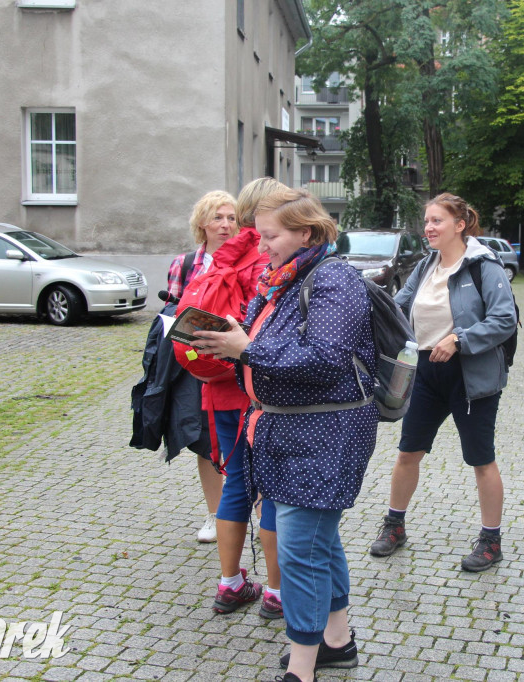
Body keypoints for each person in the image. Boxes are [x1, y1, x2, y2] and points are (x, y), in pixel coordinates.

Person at [193, 187, 379, 682]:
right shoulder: (279, 279)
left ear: (306, 232)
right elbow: (258, 341)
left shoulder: (334, 279)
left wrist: (246, 348)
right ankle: (337, 641)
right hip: (286, 429)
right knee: (320, 542)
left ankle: (303, 665)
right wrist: (229, 336)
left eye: (270, 235)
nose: (262, 245)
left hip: (326, 430)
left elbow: (324, 359)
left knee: (301, 551)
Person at [369, 193, 517, 572]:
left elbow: (504, 320)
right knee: (408, 451)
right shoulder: (426, 266)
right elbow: (397, 308)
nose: (429, 228)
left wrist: (460, 340)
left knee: (481, 459)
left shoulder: (484, 265)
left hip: (471, 375)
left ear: (460, 224)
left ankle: (491, 539)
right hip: (424, 370)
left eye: (437, 221)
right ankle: (395, 525)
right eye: (427, 221)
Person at [171, 181, 285, 618]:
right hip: (260, 391)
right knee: (273, 491)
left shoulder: (219, 260)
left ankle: (229, 584)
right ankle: (275, 593)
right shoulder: (269, 260)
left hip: (217, 388)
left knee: (235, 485)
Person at [165, 190, 238, 544]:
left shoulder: (247, 261)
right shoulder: (185, 264)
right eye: (218, 218)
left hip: (234, 364)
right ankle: (215, 514)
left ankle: (246, 511)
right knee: (205, 441)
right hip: (194, 364)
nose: (225, 225)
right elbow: (171, 312)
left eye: (232, 218)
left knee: (241, 440)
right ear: (202, 224)